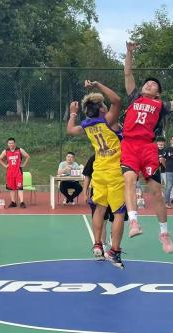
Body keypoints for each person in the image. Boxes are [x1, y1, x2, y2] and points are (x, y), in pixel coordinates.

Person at [122, 41, 173, 252]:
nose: (149, 84)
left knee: (156, 192)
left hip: (148, 148)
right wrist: (129, 52)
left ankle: (164, 234)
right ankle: (134, 221)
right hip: (129, 146)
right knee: (129, 180)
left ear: (158, 93)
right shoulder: (134, 97)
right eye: (147, 83)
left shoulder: (161, 105)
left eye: (153, 84)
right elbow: (128, 72)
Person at [67, 80, 126, 268]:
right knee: (118, 212)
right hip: (115, 172)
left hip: (98, 171)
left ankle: (98, 244)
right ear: (101, 108)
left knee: (100, 209)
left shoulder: (87, 125)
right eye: (104, 105)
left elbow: (70, 130)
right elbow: (117, 100)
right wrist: (98, 85)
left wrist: (73, 113)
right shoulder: (109, 121)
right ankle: (115, 250)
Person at [0, 138, 30, 208]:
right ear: (8, 144)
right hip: (10, 172)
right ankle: (13, 202)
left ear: (15, 143)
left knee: (20, 187)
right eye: (9, 143)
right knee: (11, 188)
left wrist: (24, 164)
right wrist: (5, 166)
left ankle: (22, 202)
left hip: (18, 172)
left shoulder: (19, 150)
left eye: (12, 143)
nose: (11, 144)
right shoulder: (6, 151)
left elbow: (27, 156)